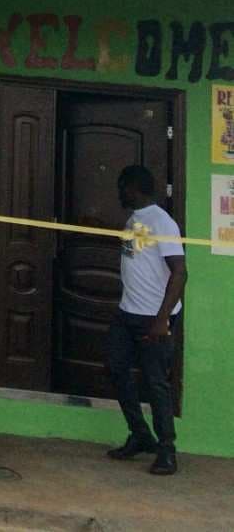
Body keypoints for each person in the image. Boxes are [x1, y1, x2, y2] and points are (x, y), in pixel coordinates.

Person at [105, 165, 186, 476]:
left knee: (156, 383)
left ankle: (167, 450)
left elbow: (180, 272)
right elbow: (135, 257)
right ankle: (140, 434)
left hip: (155, 318)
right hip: (128, 313)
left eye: (120, 188)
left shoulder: (161, 221)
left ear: (131, 188)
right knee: (115, 367)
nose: (118, 193)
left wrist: (162, 320)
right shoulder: (133, 220)